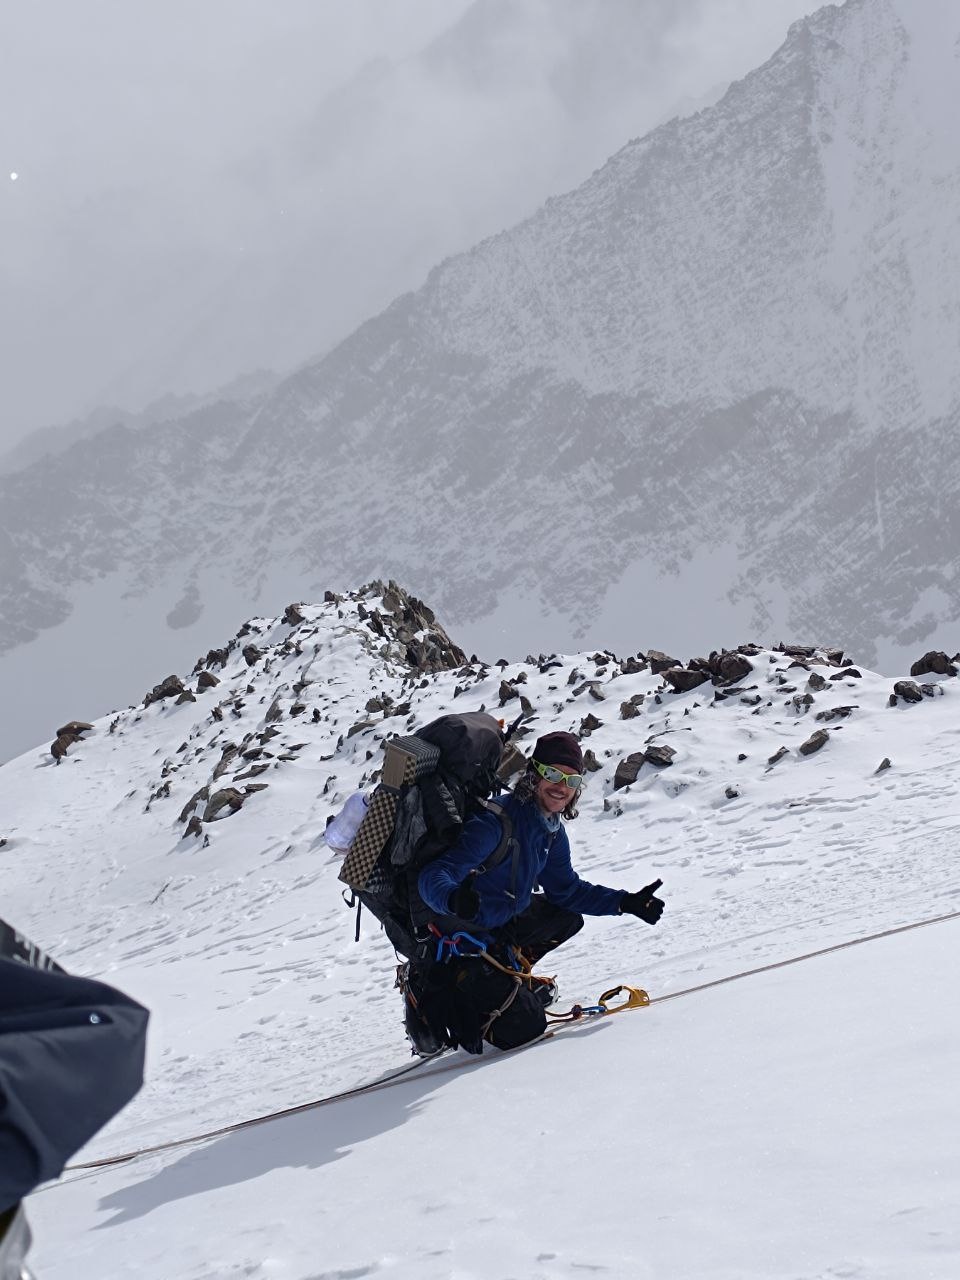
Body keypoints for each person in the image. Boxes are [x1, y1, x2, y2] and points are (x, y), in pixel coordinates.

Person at [405, 731, 665, 1055]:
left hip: (502, 924)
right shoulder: (494, 824)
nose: (561, 787)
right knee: (526, 1027)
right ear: (534, 775)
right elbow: (433, 876)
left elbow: (566, 890)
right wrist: (454, 899)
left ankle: (509, 979)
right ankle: (425, 984)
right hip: (465, 940)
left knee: (567, 917)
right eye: (553, 774)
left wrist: (624, 902)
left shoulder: (550, 830)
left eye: (571, 780)